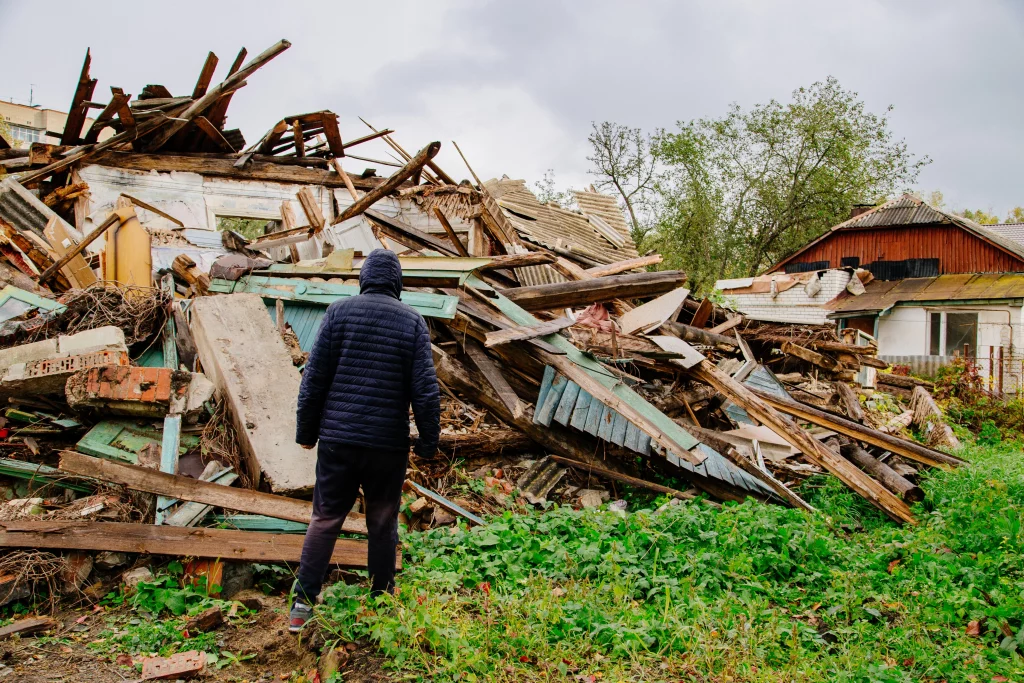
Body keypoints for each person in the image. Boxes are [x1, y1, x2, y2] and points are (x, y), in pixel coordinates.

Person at [289, 248, 440, 633]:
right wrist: (427, 443)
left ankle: (302, 606)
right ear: (397, 283)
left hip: (338, 441)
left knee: (324, 519)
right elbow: (425, 392)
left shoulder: (338, 314)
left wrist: (306, 433)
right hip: (386, 447)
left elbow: (313, 381)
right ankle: (381, 600)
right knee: (382, 522)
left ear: (363, 279)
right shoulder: (412, 322)